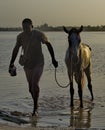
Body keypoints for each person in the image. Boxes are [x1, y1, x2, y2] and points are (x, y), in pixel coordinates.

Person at [9, 18, 58, 116]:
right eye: (23, 28)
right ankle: (36, 103)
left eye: (27, 28)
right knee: (30, 88)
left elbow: (48, 45)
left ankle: (35, 108)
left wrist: (53, 59)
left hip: (38, 63)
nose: (25, 30)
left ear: (32, 26)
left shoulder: (39, 34)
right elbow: (15, 50)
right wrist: (11, 63)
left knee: (35, 83)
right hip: (27, 65)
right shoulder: (20, 37)